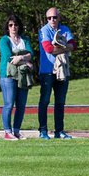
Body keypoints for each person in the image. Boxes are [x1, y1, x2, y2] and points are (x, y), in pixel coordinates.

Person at [37, 7, 77, 140]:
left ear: (59, 17)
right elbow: (48, 49)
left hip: (62, 71)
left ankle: (59, 131)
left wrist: (61, 47)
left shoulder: (64, 29)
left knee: (60, 102)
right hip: (47, 71)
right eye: (49, 18)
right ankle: (43, 131)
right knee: (45, 101)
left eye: (54, 17)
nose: (52, 20)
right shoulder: (44, 30)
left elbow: (73, 45)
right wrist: (64, 48)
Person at [0, 15, 36, 140]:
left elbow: (31, 53)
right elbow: (9, 58)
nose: (13, 27)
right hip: (8, 75)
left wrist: (21, 57)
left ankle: (16, 130)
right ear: (7, 27)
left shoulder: (24, 39)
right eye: (10, 25)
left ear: (19, 26)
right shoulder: (4, 40)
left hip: (23, 76)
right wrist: (25, 60)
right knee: (9, 103)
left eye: (15, 25)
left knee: (21, 104)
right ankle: (7, 132)